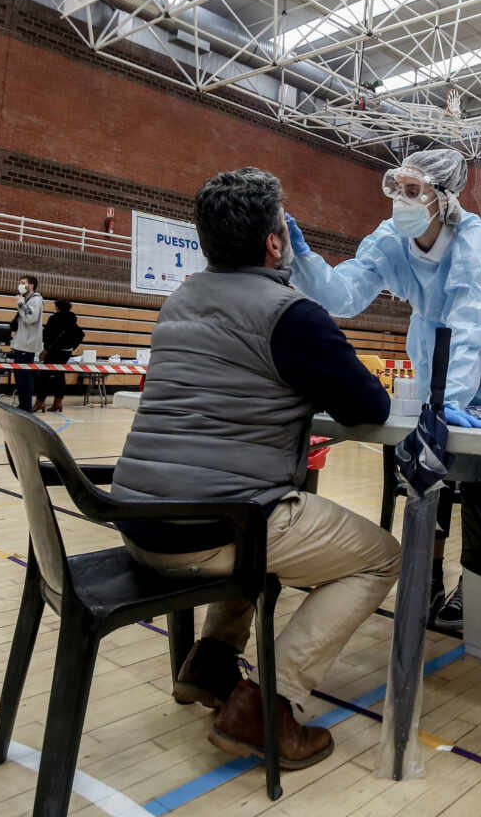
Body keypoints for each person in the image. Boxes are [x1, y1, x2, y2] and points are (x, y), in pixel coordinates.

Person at [112, 166, 399, 771]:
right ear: (276, 243)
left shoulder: (180, 301)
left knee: (264, 522)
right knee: (381, 556)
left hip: (138, 521)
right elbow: (369, 406)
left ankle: (211, 664)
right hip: (214, 531)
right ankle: (268, 704)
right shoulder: (291, 314)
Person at [284, 148, 481, 633]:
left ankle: (475, 582)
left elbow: (474, 325)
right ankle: (427, 577)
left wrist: (452, 399)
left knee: (480, 474)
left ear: (443, 197)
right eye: (395, 188)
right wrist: (304, 261)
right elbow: (345, 296)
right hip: (433, 348)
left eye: (413, 190)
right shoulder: (388, 239)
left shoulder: (474, 242)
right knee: (429, 469)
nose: (400, 199)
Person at [34, 299, 84, 413]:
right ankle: (58, 402)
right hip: (66, 352)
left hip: (53, 351)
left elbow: (47, 335)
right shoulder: (72, 320)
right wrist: (72, 347)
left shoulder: (54, 318)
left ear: (58, 307)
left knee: (44, 376)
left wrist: (45, 350)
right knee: (59, 376)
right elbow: (81, 334)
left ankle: (40, 402)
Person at [11, 275, 43, 412]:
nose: (20, 285)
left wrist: (20, 304)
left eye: (23, 283)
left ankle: (26, 405)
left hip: (27, 344)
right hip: (20, 343)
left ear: (31, 285)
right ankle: (23, 404)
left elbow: (31, 318)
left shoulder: (36, 300)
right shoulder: (27, 299)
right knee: (19, 376)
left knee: (24, 376)